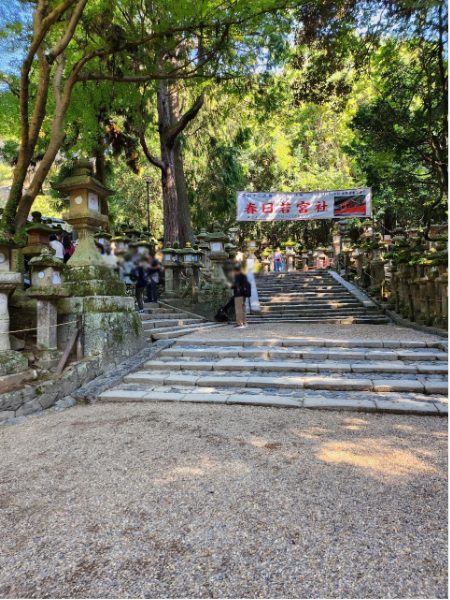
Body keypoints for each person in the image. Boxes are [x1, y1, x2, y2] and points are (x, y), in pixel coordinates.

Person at [232, 264, 251, 328]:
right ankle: (244, 322)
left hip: (239, 295)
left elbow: (235, 285)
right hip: (243, 295)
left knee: (238, 309)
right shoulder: (243, 276)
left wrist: (232, 286)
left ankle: (240, 323)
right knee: (243, 309)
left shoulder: (238, 277)